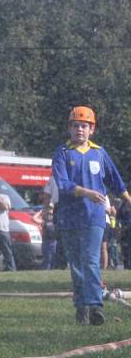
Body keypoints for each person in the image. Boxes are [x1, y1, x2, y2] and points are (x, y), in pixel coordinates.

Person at [52, 106, 131, 325]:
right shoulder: (62, 153)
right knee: (76, 263)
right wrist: (86, 192)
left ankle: (95, 305)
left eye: (84, 126)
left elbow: (115, 181)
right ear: (69, 128)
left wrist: (128, 200)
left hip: (93, 217)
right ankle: (81, 306)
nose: (79, 130)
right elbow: (64, 184)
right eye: (75, 125)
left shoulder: (99, 153)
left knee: (91, 260)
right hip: (69, 217)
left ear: (92, 129)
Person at [33, 204, 58, 270]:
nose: (49, 214)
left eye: (51, 211)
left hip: (54, 242)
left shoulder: (55, 221)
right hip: (46, 242)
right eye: (48, 213)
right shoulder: (44, 222)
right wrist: (40, 212)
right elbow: (34, 218)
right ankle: (46, 270)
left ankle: (52, 270)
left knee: (53, 259)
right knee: (47, 259)